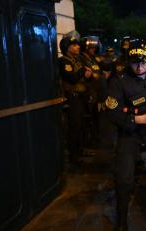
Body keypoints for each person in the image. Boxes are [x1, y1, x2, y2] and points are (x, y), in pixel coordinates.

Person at [105, 40, 146, 231]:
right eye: (134, 63)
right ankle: (121, 223)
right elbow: (112, 111)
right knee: (123, 178)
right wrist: (136, 119)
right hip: (130, 132)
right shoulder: (119, 80)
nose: (139, 67)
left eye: (144, 61)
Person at [58, 36, 93, 165]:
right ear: (67, 48)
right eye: (74, 45)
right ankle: (74, 157)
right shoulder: (64, 61)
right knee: (74, 128)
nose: (78, 47)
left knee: (81, 126)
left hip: (81, 98)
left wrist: (87, 75)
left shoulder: (76, 60)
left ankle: (80, 150)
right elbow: (72, 79)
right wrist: (83, 71)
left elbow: (85, 78)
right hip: (73, 98)